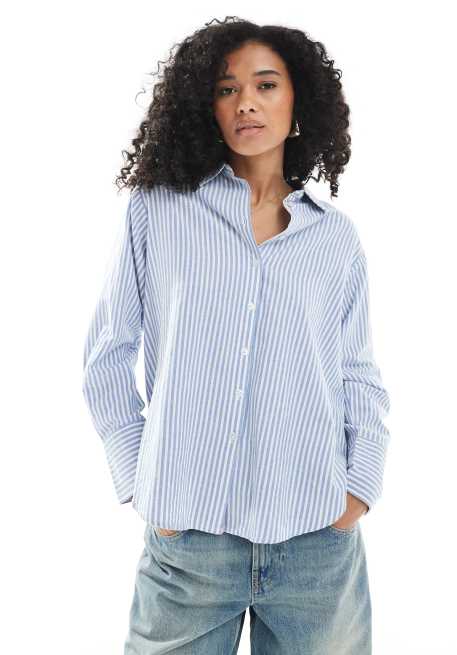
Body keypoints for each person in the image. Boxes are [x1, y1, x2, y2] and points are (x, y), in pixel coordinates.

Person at [82, 16, 391, 654]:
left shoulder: (335, 238)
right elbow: (108, 356)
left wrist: (358, 490)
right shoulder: (158, 211)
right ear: (208, 107)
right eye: (227, 89)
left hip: (317, 543)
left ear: (298, 101)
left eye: (266, 85)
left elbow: (357, 373)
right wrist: (143, 480)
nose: (246, 101)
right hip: (188, 543)